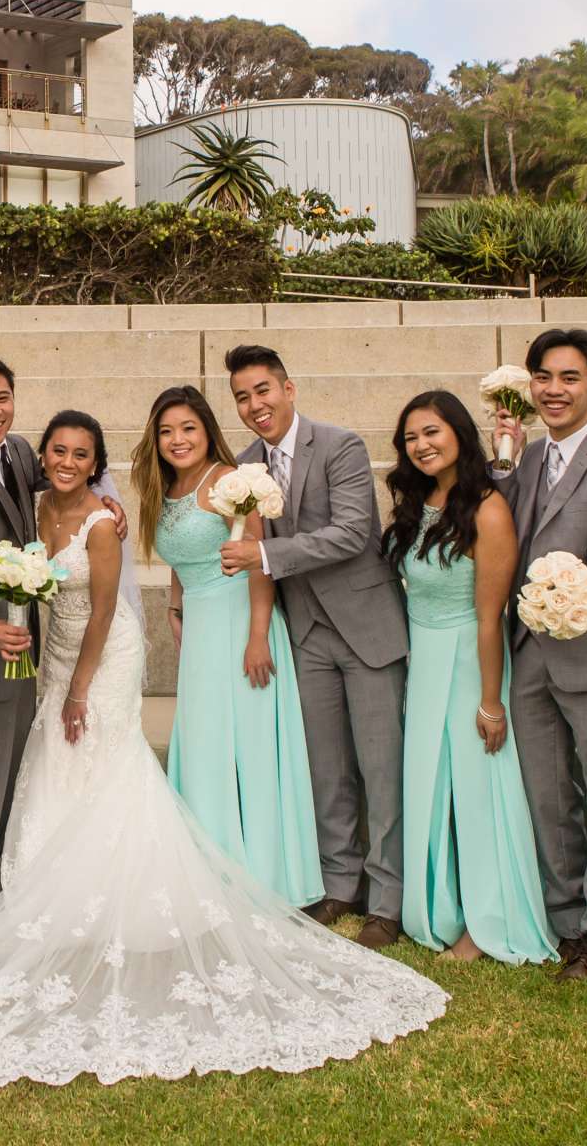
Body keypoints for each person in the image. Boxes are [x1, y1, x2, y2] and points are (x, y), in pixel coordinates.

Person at [0, 413, 448, 1087]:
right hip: (56, 654)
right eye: (59, 451)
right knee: (54, 756)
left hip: (102, 654)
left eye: (82, 452)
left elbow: (104, 612)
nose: (68, 460)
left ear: (97, 461)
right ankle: (45, 875)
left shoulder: (105, 523)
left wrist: (80, 687)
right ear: (41, 458)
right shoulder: (33, 500)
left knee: (104, 754)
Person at [0, 351, 123, 916]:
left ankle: (3, 872)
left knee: (12, 772)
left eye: (2, 398)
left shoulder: (16, 451)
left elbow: (71, 473)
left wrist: (107, 499)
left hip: (23, 652)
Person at [222, 344, 408, 947]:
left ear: (288, 387)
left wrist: (267, 555)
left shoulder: (339, 445)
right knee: (325, 769)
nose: (255, 405)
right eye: (243, 397)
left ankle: (388, 901)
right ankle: (340, 884)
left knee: (380, 769)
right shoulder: (244, 466)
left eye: (263, 391)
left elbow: (355, 532)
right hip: (304, 630)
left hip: (366, 626)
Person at [488, 327, 587, 979]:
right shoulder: (526, 460)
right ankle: (564, 921)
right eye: (544, 377)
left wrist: (571, 604)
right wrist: (502, 460)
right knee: (548, 795)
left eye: (570, 378)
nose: (555, 390)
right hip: (529, 653)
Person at [383, 391, 554, 965]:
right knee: (431, 788)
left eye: (432, 432)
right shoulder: (419, 501)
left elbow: (490, 618)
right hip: (424, 662)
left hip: (468, 659)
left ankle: (486, 923)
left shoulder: (487, 509)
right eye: (411, 437)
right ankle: (440, 905)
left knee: (477, 792)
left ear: (459, 433)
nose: (422, 445)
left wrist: (489, 701)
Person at [133, 385, 319, 907]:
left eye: (188, 428)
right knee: (205, 746)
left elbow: (257, 558)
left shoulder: (230, 482)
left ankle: (262, 872)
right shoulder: (163, 488)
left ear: (207, 430)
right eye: (166, 431)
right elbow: (181, 553)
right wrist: (175, 606)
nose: (177, 440)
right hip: (200, 628)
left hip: (242, 620)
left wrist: (258, 637)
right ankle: (207, 866)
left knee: (252, 747)